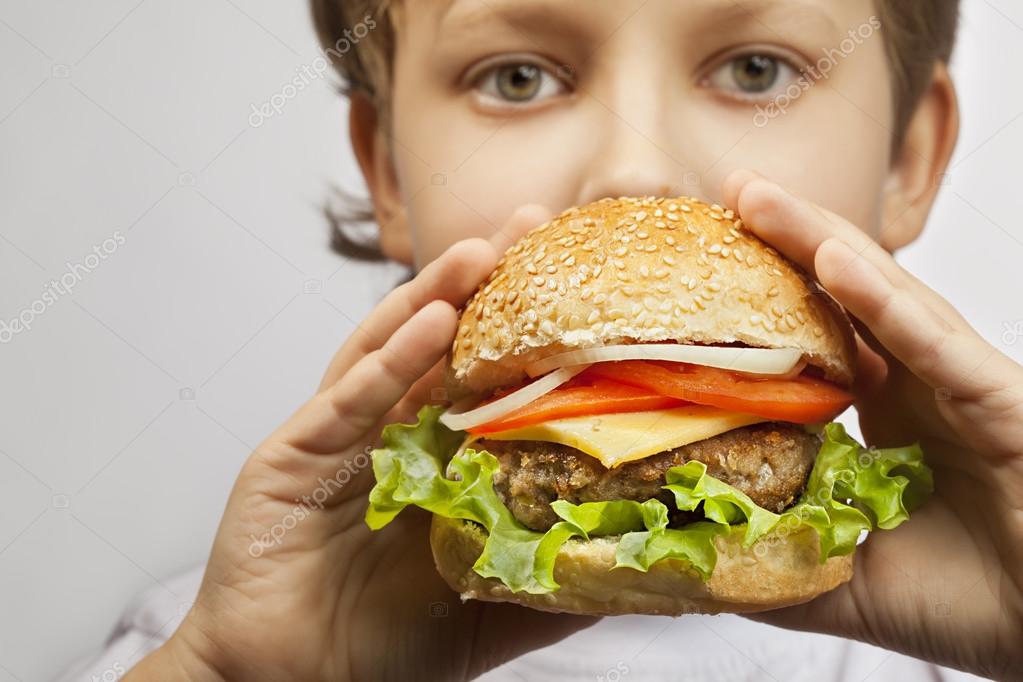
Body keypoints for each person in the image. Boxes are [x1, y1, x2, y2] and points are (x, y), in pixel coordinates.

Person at [89, 0, 1021, 679]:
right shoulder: (197, 640)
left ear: (908, 159)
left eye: (755, 70)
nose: (634, 167)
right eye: (518, 77)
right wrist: (238, 675)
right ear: (385, 169)